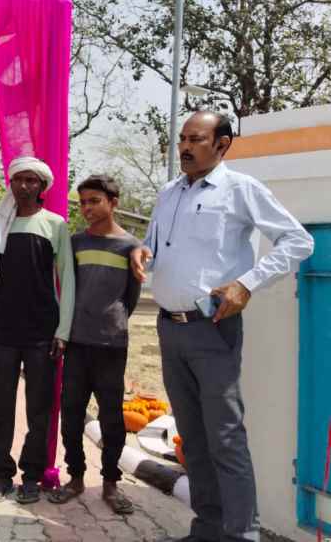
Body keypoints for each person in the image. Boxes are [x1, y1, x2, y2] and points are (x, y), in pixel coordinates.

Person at [130, 110, 314, 542]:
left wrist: (246, 284)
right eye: (182, 139)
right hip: (169, 329)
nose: (185, 147)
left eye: (196, 139)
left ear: (222, 144)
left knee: (225, 438)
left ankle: (241, 534)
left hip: (213, 328)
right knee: (193, 438)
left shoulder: (240, 189)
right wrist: (142, 251)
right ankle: (207, 529)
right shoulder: (169, 193)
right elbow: (155, 245)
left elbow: (298, 241)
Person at [47, 175, 140, 514]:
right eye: (83, 202)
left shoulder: (130, 246)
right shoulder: (75, 243)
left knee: (112, 416)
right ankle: (75, 478)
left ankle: (111, 483)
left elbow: (131, 297)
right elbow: (66, 287)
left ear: (113, 202)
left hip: (112, 345)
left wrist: (112, 321)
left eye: (94, 201)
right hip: (76, 342)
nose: (87, 208)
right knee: (71, 412)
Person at [0, 156, 74, 504]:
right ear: (10, 183)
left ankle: (32, 475)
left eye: (32, 180)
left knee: (40, 407)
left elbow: (67, 280)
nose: (24, 186)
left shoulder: (54, 224)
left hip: (42, 332)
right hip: (2, 330)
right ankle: (0, 471)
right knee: (0, 404)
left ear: (42, 186)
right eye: (19, 179)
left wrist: (63, 331)